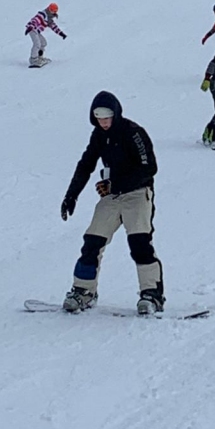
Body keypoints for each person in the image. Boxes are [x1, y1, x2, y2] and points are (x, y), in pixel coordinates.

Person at [60, 91, 164, 315]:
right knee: (92, 242)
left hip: (137, 194)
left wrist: (116, 183)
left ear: (116, 114)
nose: (104, 123)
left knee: (140, 243)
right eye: (99, 118)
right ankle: (84, 291)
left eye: (107, 118)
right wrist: (72, 195)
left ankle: (152, 294)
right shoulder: (98, 135)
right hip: (112, 196)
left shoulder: (133, 132)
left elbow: (149, 168)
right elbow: (86, 164)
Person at [25, 3, 66, 67]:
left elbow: (54, 27)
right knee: (37, 44)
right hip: (32, 30)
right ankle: (33, 59)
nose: (52, 11)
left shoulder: (49, 19)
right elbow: (34, 20)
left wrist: (61, 34)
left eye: (53, 11)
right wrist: (30, 27)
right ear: (49, 8)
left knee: (43, 43)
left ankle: (39, 57)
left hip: (36, 31)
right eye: (51, 10)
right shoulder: (43, 14)